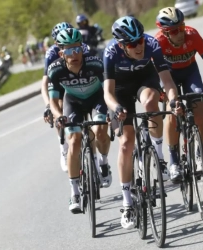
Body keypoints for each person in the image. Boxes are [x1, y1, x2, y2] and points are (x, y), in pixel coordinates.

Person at [103, 16, 182, 229]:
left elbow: (167, 81)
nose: (138, 46)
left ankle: (159, 155)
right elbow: (108, 93)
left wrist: (173, 100)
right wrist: (116, 108)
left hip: (144, 81)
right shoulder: (111, 53)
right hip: (120, 90)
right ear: (121, 45)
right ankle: (127, 203)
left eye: (140, 41)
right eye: (131, 44)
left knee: (150, 102)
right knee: (127, 144)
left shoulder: (152, 44)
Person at [155, 7, 203, 180]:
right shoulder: (158, 42)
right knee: (173, 112)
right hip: (168, 77)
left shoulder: (192, 35)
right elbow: (152, 75)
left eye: (181, 27)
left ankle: (201, 155)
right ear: (165, 32)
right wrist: (161, 93)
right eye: (174, 31)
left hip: (189, 73)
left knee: (200, 110)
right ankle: (174, 160)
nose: (180, 33)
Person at [48, 28, 112, 213]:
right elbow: (53, 101)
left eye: (77, 49)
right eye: (68, 50)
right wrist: (59, 115)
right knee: (74, 141)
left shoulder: (95, 64)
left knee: (100, 131)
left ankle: (103, 161)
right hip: (73, 102)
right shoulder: (56, 70)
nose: (74, 54)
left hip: (96, 98)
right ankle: (74, 192)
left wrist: (112, 111)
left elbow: (108, 90)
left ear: (82, 48)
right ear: (61, 53)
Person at [41, 22, 90, 172]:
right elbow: (45, 83)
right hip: (60, 86)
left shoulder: (82, 49)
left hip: (80, 83)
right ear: (56, 42)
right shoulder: (51, 53)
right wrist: (48, 105)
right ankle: (63, 147)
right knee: (59, 109)